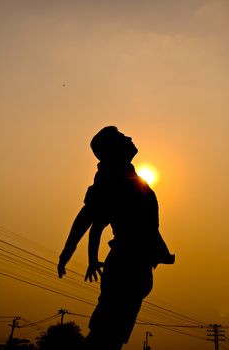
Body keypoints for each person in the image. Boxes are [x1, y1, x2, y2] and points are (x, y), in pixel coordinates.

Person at [58, 126, 175, 350]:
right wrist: (67, 253)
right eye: (122, 137)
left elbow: (100, 223)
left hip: (135, 266)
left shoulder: (127, 176)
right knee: (105, 337)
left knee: (110, 337)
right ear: (112, 149)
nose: (129, 137)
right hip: (126, 266)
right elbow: (87, 218)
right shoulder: (111, 178)